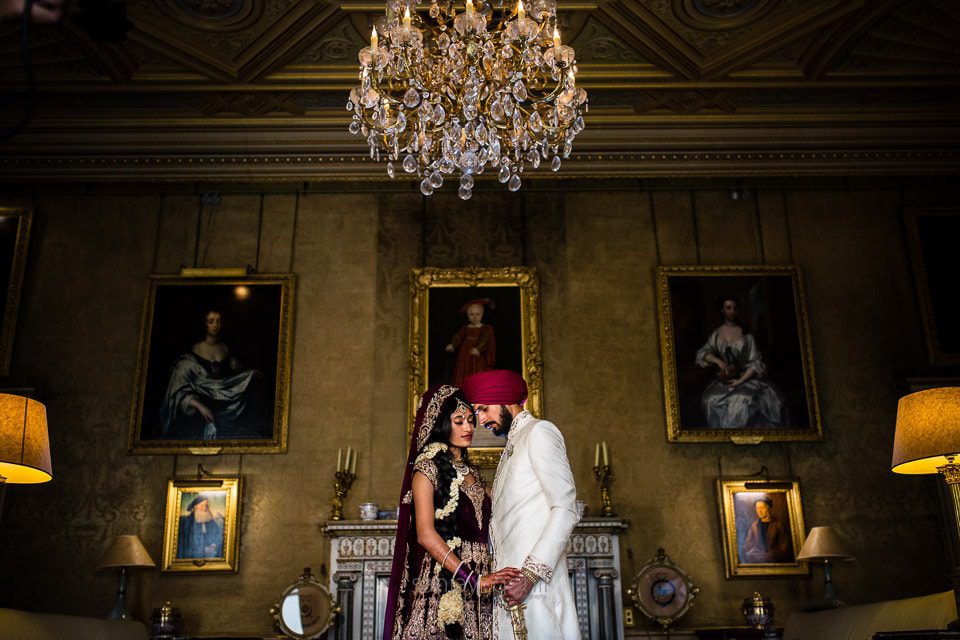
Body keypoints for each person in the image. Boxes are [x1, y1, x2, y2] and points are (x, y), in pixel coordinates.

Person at [384, 385, 520, 640]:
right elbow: (425, 534)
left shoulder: (475, 474)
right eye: (459, 421)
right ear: (441, 424)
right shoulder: (427, 470)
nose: (469, 427)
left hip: (484, 576)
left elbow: (505, 509)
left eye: (470, 420)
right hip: (447, 578)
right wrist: (473, 579)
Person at [462, 370, 581, 640]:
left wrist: (529, 575)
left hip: (535, 586)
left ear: (504, 399)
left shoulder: (540, 432)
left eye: (483, 409)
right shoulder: (513, 445)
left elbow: (565, 508)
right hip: (512, 587)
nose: (480, 420)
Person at [160, 309, 262, 440]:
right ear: (204, 323)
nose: (215, 325)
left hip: (227, 406)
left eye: (218, 322)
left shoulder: (226, 349)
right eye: (211, 321)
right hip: (202, 410)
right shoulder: (191, 356)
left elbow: (233, 381)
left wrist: (250, 375)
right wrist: (200, 407)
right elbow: (179, 390)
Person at [695, 295, 787, 428]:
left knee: (742, 401)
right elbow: (702, 353)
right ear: (722, 310)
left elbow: (756, 362)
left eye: (735, 308)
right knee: (711, 400)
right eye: (728, 308)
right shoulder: (716, 334)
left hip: (747, 379)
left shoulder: (747, 335)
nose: (732, 311)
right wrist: (719, 362)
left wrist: (739, 381)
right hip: (727, 380)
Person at [445, 299, 496, 387]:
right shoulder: (465, 328)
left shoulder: (486, 328)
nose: (475, 317)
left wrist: (478, 348)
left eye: (477, 314)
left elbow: (485, 340)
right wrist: (452, 345)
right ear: (468, 316)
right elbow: (458, 337)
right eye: (472, 314)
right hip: (465, 354)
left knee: (477, 372)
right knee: (463, 372)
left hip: (478, 356)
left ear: (482, 315)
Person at [741, 496, 790, 563]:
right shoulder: (754, 525)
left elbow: (784, 546)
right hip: (757, 561)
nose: (759, 511)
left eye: (762, 508)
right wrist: (754, 553)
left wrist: (771, 554)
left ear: (768, 508)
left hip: (774, 562)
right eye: (757, 508)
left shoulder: (778, 524)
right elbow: (748, 544)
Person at [177, 494, 225, 559]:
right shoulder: (185, 522)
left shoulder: (212, 522)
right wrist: (203, 550)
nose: (205, 508)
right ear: (195, 507)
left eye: (206, 506)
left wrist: (214, 545)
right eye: (202, 506)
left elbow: (218, 535)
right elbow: (186, 544)